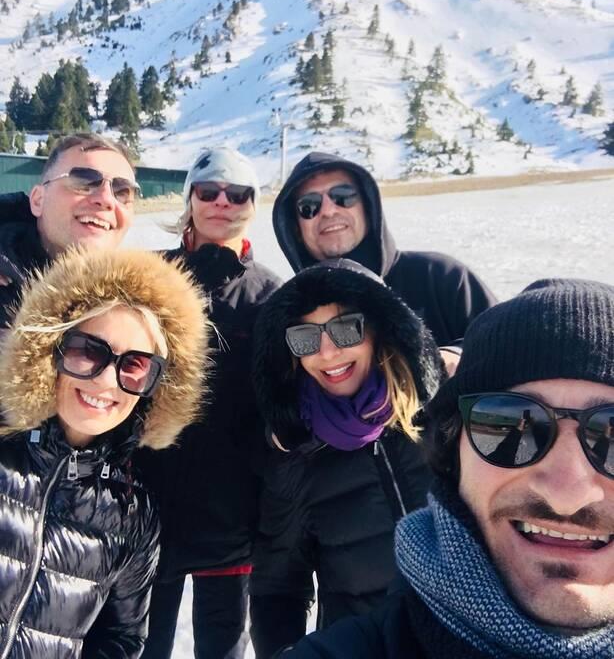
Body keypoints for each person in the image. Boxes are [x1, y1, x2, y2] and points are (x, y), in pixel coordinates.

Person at [282, 278, 614, 658]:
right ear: (453, 456)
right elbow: (278, 579)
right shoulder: (292, 452)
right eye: (508, 426)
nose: (566, 494)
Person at [0, 245, 208, 658]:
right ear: (50, 351)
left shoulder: (132, 511)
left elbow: (121, 638)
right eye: (88, 351)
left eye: (134, 365)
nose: (107, 381)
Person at [248, 259, 445, 658]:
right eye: (305, 337)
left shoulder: (445, 423)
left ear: (379, 330)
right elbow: (277, 589)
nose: (327, 351)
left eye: (345, 328)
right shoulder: (296, 456)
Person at [139, 148, 282, 659]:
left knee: (222, 648)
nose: (222, 201)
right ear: (190, 199)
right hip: (147, 506)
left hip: (233, 515)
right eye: (209, 191)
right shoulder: (147, 277)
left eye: (238, 193)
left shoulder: (271, 295)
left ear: (253, 205)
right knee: (140, 645)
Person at [272, 151, 497, 372]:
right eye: (309, 206)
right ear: (295, 228)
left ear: (368, 207)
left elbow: (505, 341)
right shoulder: (288, 313)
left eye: (343, 196)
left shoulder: (441, 277)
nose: (329, 211)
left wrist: (456, 355)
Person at [0, 132, 139, 329]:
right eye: (84, 182)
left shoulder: (139, 311)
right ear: (38, 200)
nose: (106, 199)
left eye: (122, 192)